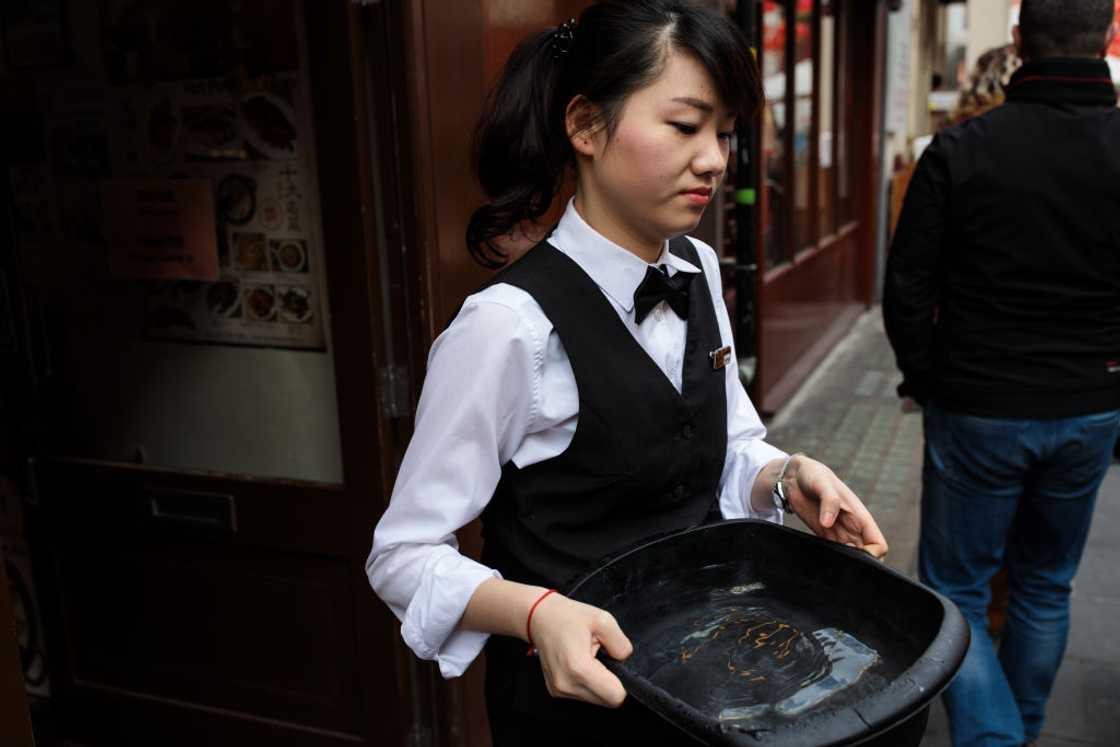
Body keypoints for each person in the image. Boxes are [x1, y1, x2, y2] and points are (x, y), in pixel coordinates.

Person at [369, 2, 888, 744]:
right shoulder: (507, 326)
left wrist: (783, 478)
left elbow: (728, 444)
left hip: (707, 683)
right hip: (574, 712)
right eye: (685, 125)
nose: (714, 159)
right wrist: (537, 612)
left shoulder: (698, 267)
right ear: (585, 126)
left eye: (724, 133)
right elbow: (403, 555)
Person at [883, 2, 1120, 746]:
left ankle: (996, 737)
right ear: (1108, 35)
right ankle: (1019, 728)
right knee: (1046, 583)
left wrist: (927, 376)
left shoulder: (962, 149)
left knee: (956, 587)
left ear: (1018, 41)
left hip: (978, 401)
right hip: (1090, 401)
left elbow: (907, 286)